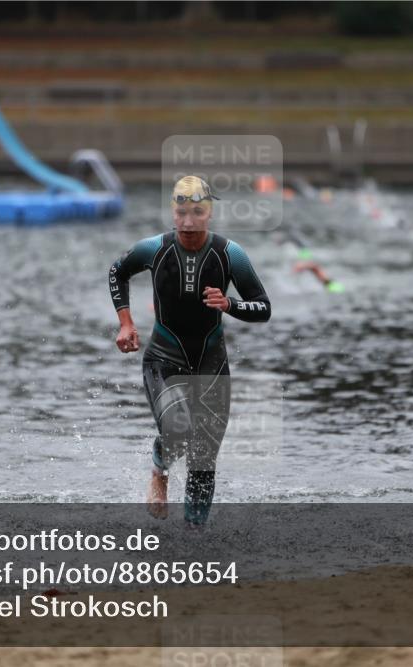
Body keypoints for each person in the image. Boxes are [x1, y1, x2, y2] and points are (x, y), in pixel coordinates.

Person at [108, 176, 271, 525]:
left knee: (204, 458)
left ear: (209, 213)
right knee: (178, 428)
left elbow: (263, 307)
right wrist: (126, 323)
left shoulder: (230, 254)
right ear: (173, 212)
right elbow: (117, 272)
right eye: (181, 213)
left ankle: (194, 538)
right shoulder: (154, 248)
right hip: (163, 359)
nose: (188, 221)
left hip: (212, 364)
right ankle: (159, 472)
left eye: (197, 212)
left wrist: (229, 304)